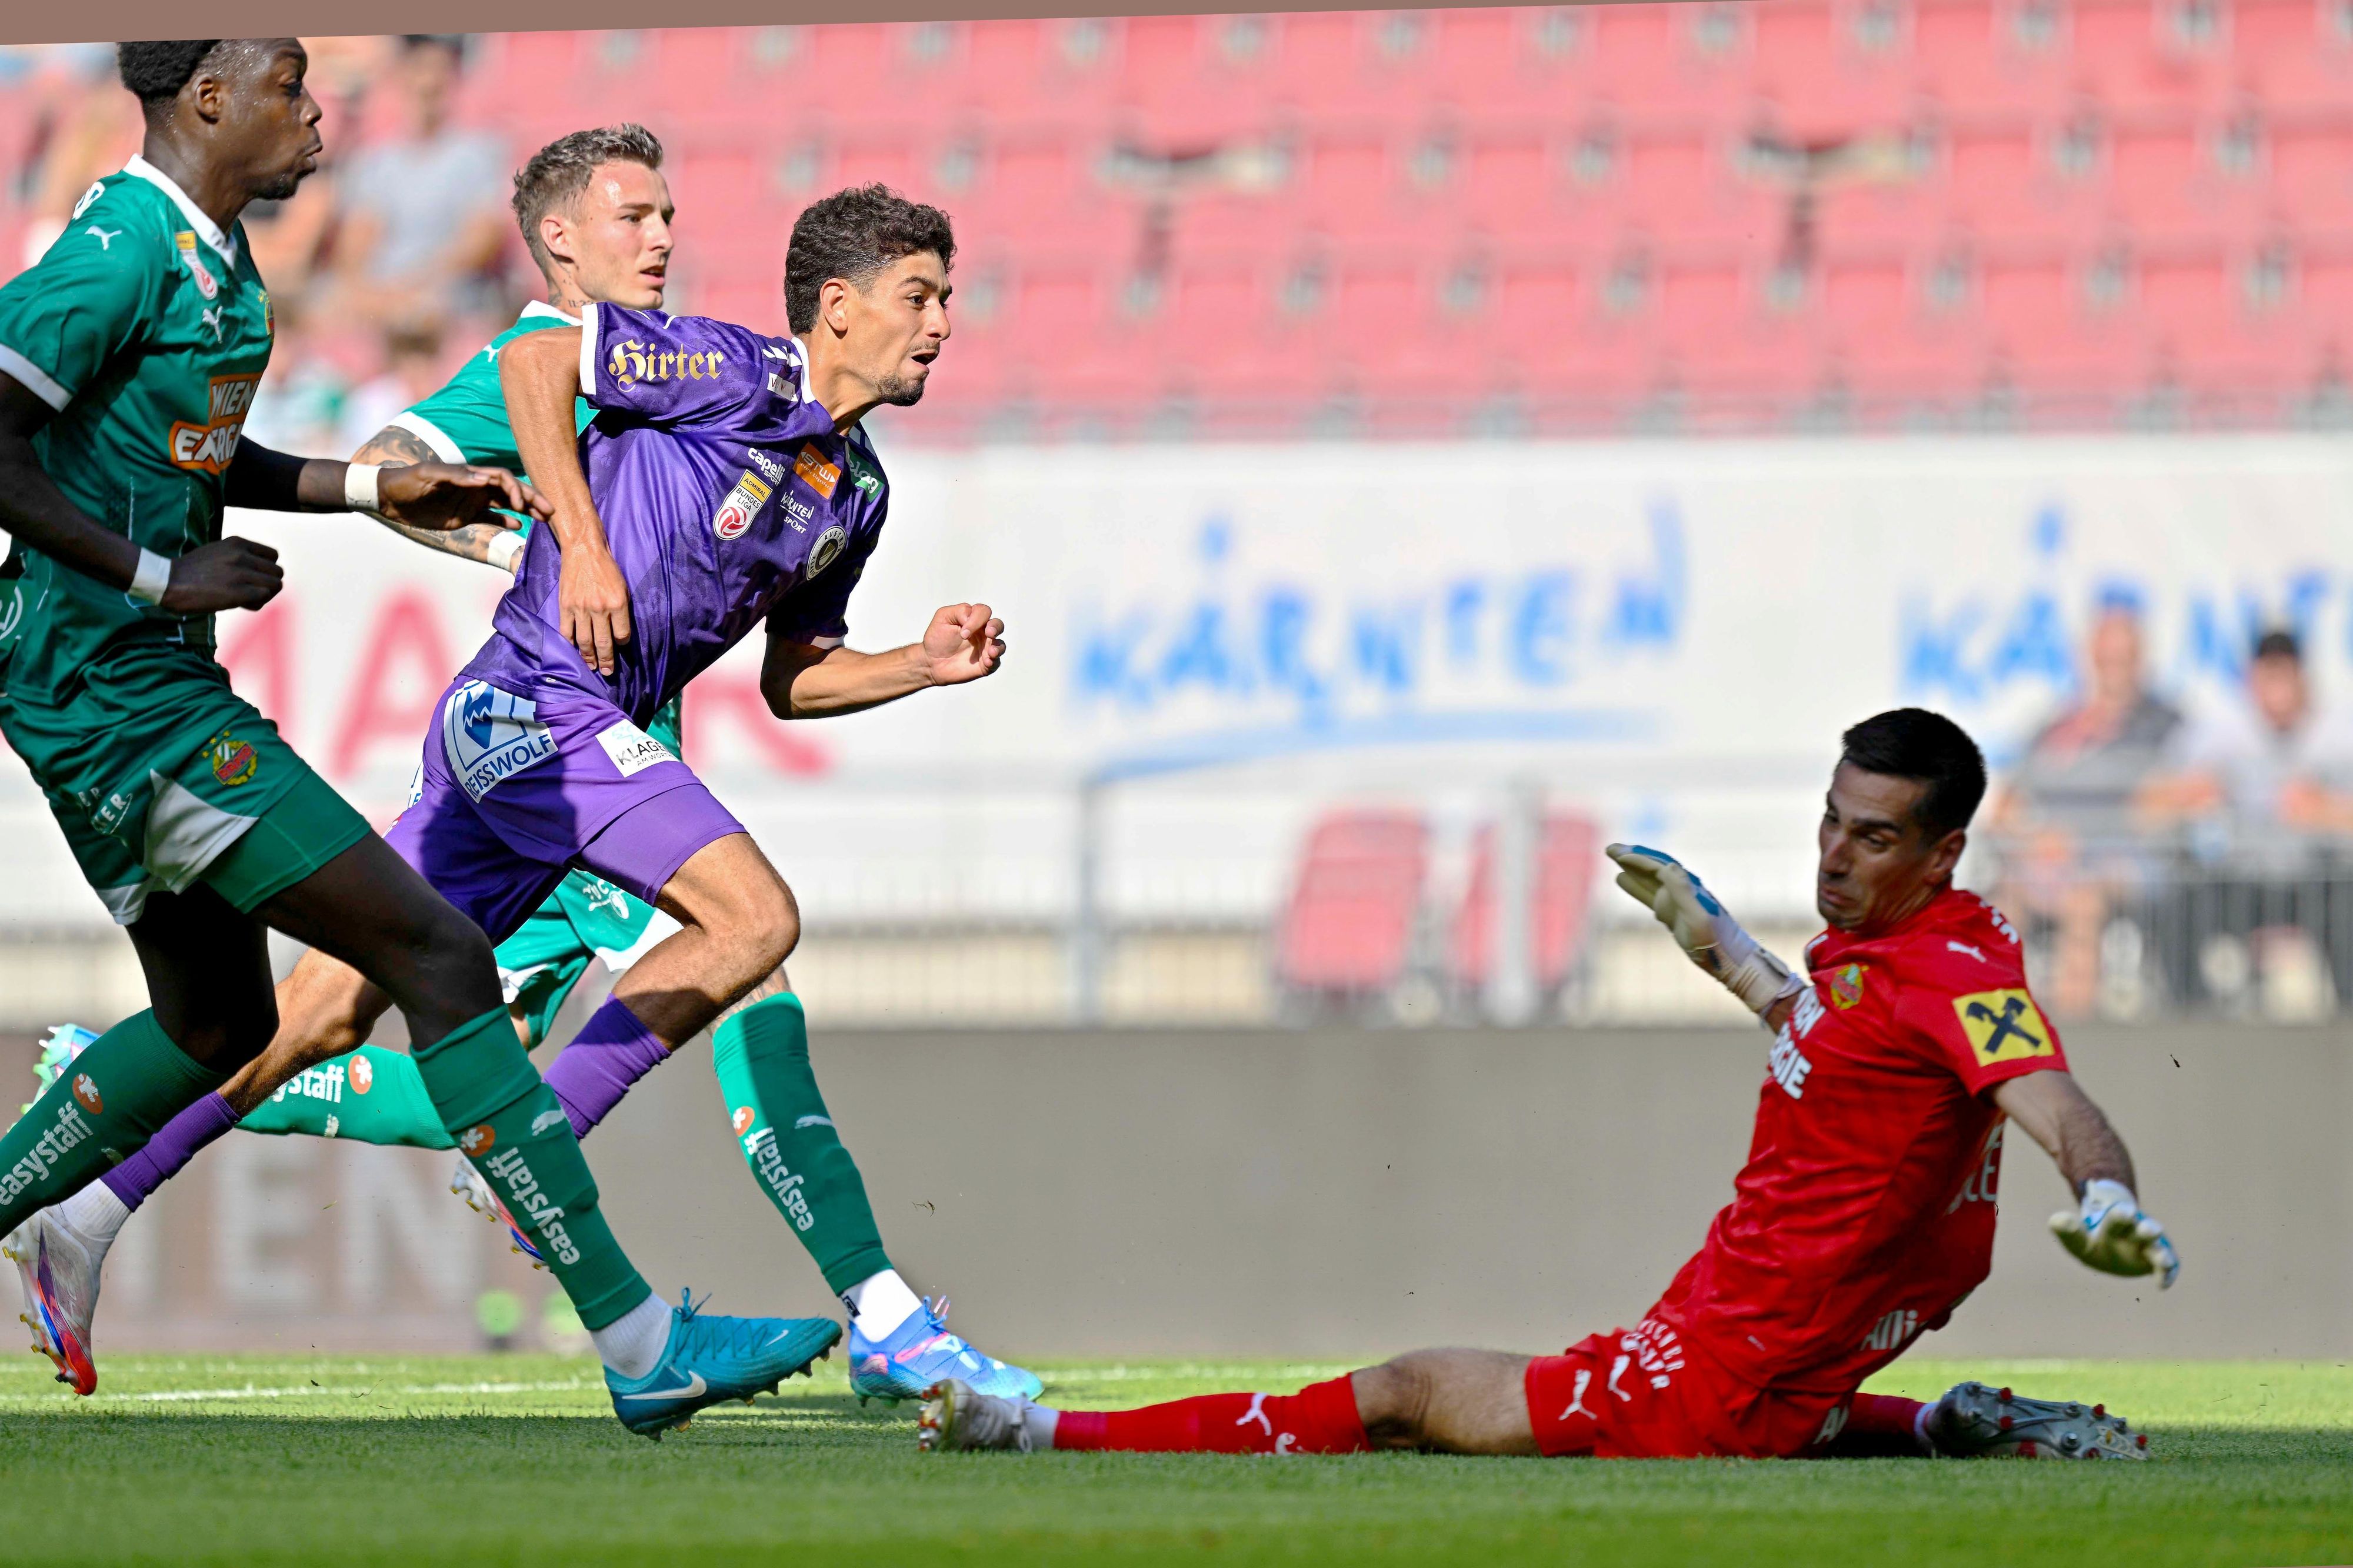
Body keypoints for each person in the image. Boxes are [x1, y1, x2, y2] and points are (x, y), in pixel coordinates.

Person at [12, 134, 1038, 1405]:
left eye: (670, 213)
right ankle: (869, 1311)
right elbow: (432, 436)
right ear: (563, 238)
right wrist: (563, 541)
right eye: (636, 216)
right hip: (552, 713)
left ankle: (96, 1191)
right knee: (753, 942)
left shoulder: (847, 484)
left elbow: (794, 672)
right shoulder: (643, 354)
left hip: (558, 731)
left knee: (324, 1011)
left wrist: (914, 665)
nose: (662, 238)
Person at [920, 710, 2178, 1462]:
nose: (1833, 855)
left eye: (1873, 836)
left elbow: (2044, 1090)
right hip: (1756, 1324)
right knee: (1776, 1411)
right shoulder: (1893, 950)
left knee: (1405, 1394)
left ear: (1944, 849)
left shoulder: (1955, 976)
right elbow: (1851, 1049)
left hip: (1723, 1355)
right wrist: (1731, 957)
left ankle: (1024, 1433)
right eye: (1828, 820)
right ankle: (1944, 1422)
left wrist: (2107, 1192)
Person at [1986, 592, 2181, 1015]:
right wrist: (2034, 839)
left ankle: (2073, 1033)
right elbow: (2005, 807)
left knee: (2082, 900)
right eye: (2105, 658)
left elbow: (2164, 806)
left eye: (2123, 658)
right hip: (2048, 860)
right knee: (2000, 909)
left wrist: (2081, 842)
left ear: (2140, 660)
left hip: (2122, 860)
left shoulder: (2165, 725)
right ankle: (2003, 1038)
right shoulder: (2055, 726)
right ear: (2088, 659)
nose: (2114, 669)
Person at [2137, 627, 2353, 1009]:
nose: (2277, 691)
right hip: (2245, 880)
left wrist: (2327, 811)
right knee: (2182, 913)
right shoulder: (2223, 734)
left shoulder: (2337, 735)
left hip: (2318, 879)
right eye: (2268, 677)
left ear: (2302, 679)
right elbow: (2146, 809)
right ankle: (2193, 1024)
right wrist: (2190, 794)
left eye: (2285, 676)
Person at [327, 35, 509, 330]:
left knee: (424, 312)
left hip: (446, 293)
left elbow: (481, 240)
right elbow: (357, 241)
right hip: (384, 290)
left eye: (438, 72)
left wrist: (417, 284)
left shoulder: (478, 154)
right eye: (420, 70)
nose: (428, 82)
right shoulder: (377, 161)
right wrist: (368, 290)